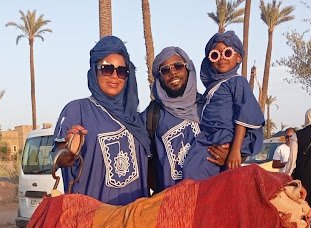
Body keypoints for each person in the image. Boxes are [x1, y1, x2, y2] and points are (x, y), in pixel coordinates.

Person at [52, 36, 151, 206]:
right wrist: (68, 152)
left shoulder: (137, 120)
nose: (114, 76)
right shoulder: (77, 110)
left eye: (121, 71)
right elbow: (58, 158)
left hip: (134, 222)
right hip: (92, 221)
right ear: (94, 71)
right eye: (107, 69)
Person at [181, 31, 264, 181]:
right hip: (208, 139)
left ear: (238, 57)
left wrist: (235, 150)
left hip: (223, 139)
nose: (222, 59)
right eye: (215, 55)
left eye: (227, 53)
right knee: (191, 170)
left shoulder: (238, 81)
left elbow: (244, 114)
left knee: (197, 172)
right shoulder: (212, 88)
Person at [141, 47, 202, 192]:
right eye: (165, 70)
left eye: (178, 66)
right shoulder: (150, 117)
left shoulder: (210, 107)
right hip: (170, 206)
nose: (173, 72)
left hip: (210, 202)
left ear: (189, 68)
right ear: (159, 77)